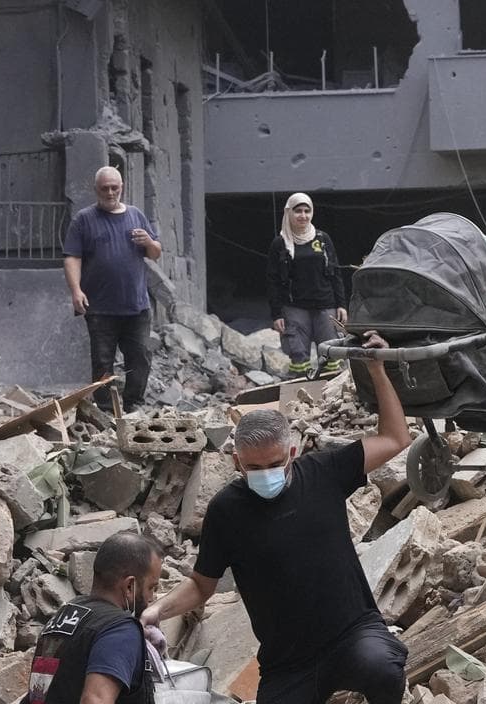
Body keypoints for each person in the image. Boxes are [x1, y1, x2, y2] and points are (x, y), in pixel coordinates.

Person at [141, 331, 411, 704]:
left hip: (353, 635)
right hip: (289, 663)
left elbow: (396, 438)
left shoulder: (324, 473)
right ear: (236, 462)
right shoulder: (226, 510)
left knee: (382, 666)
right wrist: (156, 610)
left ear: (292, 452)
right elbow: (203, 586)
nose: (266, 473)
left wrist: (377, 371)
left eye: (275, 464)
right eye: (254, 467)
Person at [63, 166, 162, 413]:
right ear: (96, 189)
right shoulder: (84, 219)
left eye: (114, 187)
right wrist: (76, 290)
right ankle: (105, 409)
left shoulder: (136, 215)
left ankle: (134, 405)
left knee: (139, 357)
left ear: (122, 187)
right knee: (103, 362)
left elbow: (156, 253)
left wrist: (150, 242)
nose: (110, 192)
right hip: (100, 308)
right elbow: (72, 257)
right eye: (104, 188)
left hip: (136, 306)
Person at [24, 532, 164, 704]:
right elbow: (95, 700)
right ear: (129, 586)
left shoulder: (69, 612)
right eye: (152, 587)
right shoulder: (120, 630)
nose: (152, 598)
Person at [267, 193, 348, 378]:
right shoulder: (280, 244)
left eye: (307, 211)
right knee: (298, 358)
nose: (303, 216)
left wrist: (341, 304)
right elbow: (272, 281)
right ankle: (299, 398)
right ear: (289, 213)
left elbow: (335, 273)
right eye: (298, 211)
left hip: (325, 306)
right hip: (294, 308)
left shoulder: (322, 238)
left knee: (331, 356)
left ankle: (330, 400)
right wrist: (276, 313)